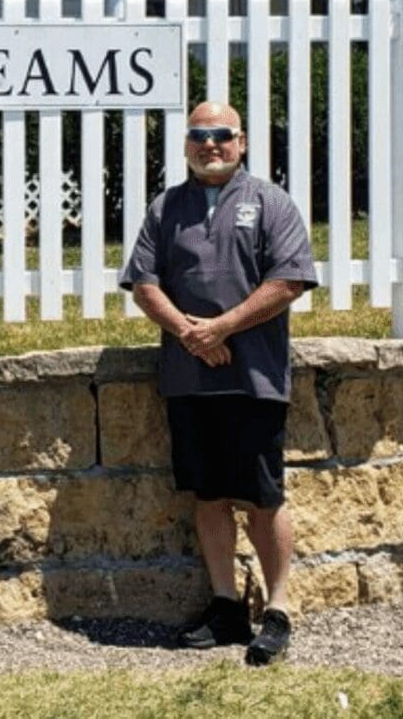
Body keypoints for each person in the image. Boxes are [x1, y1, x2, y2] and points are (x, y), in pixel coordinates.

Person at [120, 100, 317, 666]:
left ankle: (277, 611)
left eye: (222, 135)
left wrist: (224, 327)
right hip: (188, 379)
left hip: (253, 377)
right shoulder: (167, 207)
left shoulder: (271, 203)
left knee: (262, 497)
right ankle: (226, 608)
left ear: (242, 141)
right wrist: (189, 333)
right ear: (187, 144)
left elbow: (290, 280)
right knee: (208, 496)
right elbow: (143, 282)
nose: (211, 144)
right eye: (200, 135)